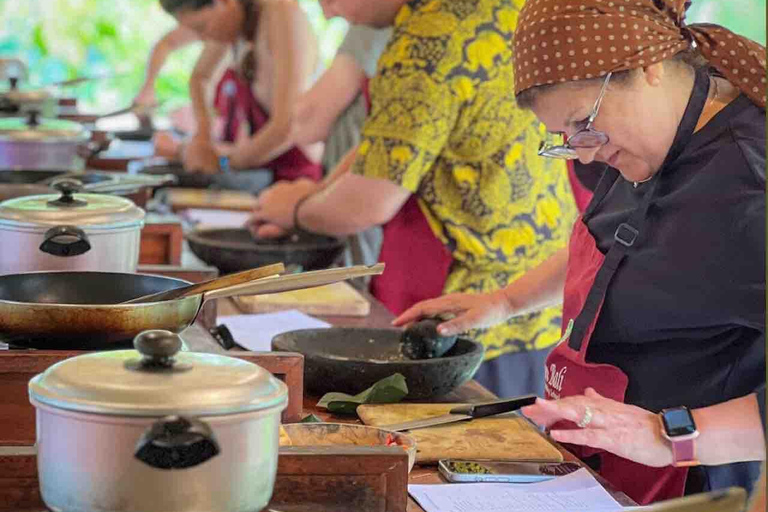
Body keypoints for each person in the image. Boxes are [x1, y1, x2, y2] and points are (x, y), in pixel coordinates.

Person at [394, 0, 766, 504]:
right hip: (600, 461)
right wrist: (504, 301)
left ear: (647, 66)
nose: (584, 153)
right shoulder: (650, 138)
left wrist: (668, 435)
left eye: (583, 121)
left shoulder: (749, 188)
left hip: (686, 480)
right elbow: (614, 249)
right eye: (564, 137)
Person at [248, 0, 579, 399]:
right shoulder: (487, 9)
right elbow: (389, 144)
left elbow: (370, 201)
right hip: (532, 292)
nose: (329, 13)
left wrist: (296, 210)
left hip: (463, 315)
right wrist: (309, 197)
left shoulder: (431, 33)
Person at [158, 0, 323, 181]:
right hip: (260, 170)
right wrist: (203, 136)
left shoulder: (282, 13)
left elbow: (287, 126)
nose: (204, 38)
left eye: (202, 27)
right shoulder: (236, 18)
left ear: (225, 2)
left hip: (296, 176)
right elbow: (201, 78)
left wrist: (224, 163)